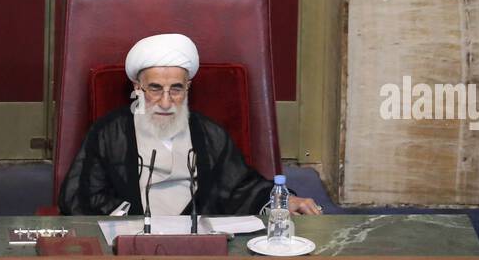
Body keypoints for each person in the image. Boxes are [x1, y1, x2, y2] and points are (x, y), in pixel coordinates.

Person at [58, 33, 322, 217]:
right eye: (154, 89)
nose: (165, 101)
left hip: (198, 244)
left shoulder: (208, 133)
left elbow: (241, 187)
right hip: (133, 246)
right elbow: (81, 195)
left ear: (188, 88)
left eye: (176, 89)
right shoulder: (109, 133)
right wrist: (133, 223)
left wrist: (284, 201)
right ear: (137, 88)